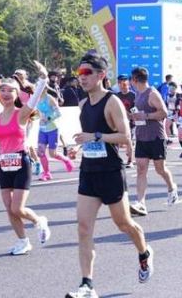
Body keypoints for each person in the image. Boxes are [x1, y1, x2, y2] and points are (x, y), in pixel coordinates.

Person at [66, 53, 153, 298]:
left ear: (101, 75)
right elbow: (89, 135)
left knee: (123, 223)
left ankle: (144, 252)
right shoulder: (83, 104)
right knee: (84, 228)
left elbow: (125, 137)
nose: (81, 78)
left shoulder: (112, 102)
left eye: (87, 73)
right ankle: (87, 285)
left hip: (111, 172)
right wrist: (78, 147)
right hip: (89, 172)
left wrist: (95, 137)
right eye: (79, 73)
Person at [0, 61, 51, 255]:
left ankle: (38, 221)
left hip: (21, 162)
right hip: (4, 164)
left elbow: (35, 98)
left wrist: (43, 77)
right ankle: (23, 241)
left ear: (16, 94)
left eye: (10, 90)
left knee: (17, 208)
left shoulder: (22, 113)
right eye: (3, 90)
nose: (6, 93)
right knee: (9, 208)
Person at [128, 67, 179, 216]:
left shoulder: (152, 93)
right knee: (141, 169)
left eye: (131, 79)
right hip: (141, 136)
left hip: (156, 136)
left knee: (160, 169)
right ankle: (141, 203)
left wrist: (146, 116)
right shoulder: (137, 94)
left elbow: (163, 113)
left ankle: (172, 187)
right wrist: (133, 117)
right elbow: (140, 114)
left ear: (135, 79)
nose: (130, 82)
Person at [36, 87, 74, 181]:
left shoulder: (50, 99)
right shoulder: (36, 98)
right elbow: (37, 112)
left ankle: (66, 160)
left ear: (45, 89)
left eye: (40, 88)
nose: (38, 89)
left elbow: (58, 113)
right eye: (37, 87)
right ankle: (46, 173)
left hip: (52, 129)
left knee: (52, 154)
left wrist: (48, 118)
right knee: (40, 152)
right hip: (42, 129)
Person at [116, 74, 136, 168]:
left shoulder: (133, 95)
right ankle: (116, 160)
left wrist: (132, 117)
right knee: (116, 141)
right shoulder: (116, 96)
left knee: (129, 141)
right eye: (120, 83)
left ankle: (130, 160)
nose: (122, 86)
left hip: (130, 122)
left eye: (124, 83)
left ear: (128, 84)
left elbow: (135, 110)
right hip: (118, 122)